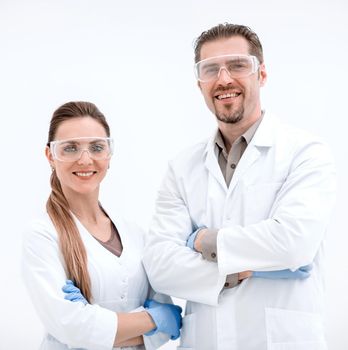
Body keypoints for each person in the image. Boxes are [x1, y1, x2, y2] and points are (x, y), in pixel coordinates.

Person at [142, 23, 336, 350]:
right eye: (210, 69)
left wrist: (205, 240)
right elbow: (160, 265)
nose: (224, 79)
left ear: (261, 75)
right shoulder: (181, 168)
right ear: (199, 83)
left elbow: (293, 243)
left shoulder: (305, 152)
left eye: (237, 65)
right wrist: (238, 271)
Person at [22, 101, 182, 350]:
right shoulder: (42, 235)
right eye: (70, 148)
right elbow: (72, 327)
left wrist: (95, 326)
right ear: (50, 156)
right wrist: (153, 319)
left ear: (108, 154)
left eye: (96, 147)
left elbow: (168, 329)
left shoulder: (135, 234)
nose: (85, 160)